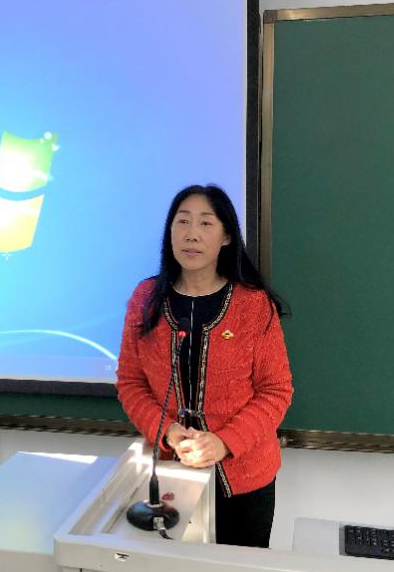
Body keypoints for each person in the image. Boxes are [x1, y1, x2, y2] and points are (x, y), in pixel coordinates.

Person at [116, 184, 293, 548]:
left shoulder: (253, 305)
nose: (191, 234)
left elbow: (276, 391)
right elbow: (131, 383)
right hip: (169, 473)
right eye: (182, 222)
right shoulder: (145, 300)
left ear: (226, 236)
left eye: (205, 223)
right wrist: (168, 432)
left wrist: (225, 442)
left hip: (245, 481)